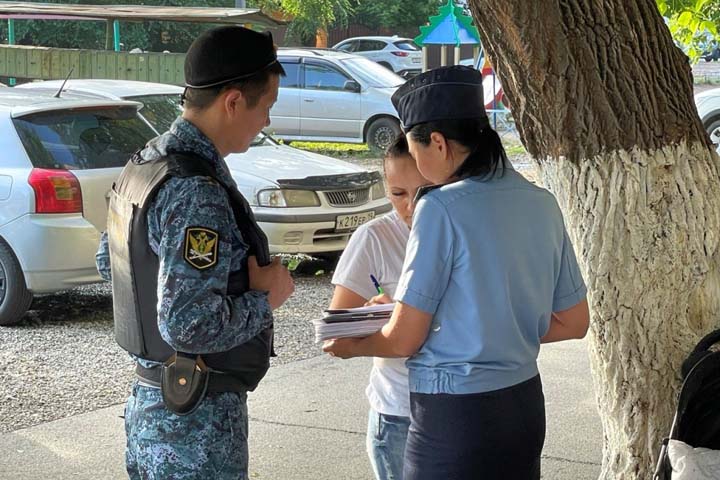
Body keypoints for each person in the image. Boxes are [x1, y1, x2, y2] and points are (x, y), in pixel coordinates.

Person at [323, 65, 590, 480]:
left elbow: (404, 337)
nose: (416, 164)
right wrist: (495, 327)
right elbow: (574, 321)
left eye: (414, 152)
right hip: (523, 408)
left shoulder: (440, 207)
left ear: (438, 143)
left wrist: (350, 345)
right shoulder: (542, 201)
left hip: (457, 417)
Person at [95, 26, 294, 479]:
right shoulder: (196, 192)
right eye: (267, 106)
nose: (267, 121)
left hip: (152, 410)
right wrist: (266, 298)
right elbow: (188, 324)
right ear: (233, 101)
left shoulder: (147, 163)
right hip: (195, 430)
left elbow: (110, 263)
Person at [329, 135, 430, 480]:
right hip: (400, 413)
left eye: (424, 192)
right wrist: (387, 318)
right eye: (398, 194)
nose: (411, 207)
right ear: (385, 189)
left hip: (459, 406)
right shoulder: (374, 238)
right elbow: (335, 337)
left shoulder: (461, 229)